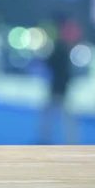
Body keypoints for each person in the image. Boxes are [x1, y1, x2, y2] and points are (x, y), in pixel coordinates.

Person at [39, 16, 77, 144]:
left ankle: (65, 140)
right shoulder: (64, 49)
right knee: (58, 115)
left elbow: (50, 64)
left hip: (58, 87)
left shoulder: (59, 49)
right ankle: (68, 140)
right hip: (60, 86)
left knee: (57, 115)